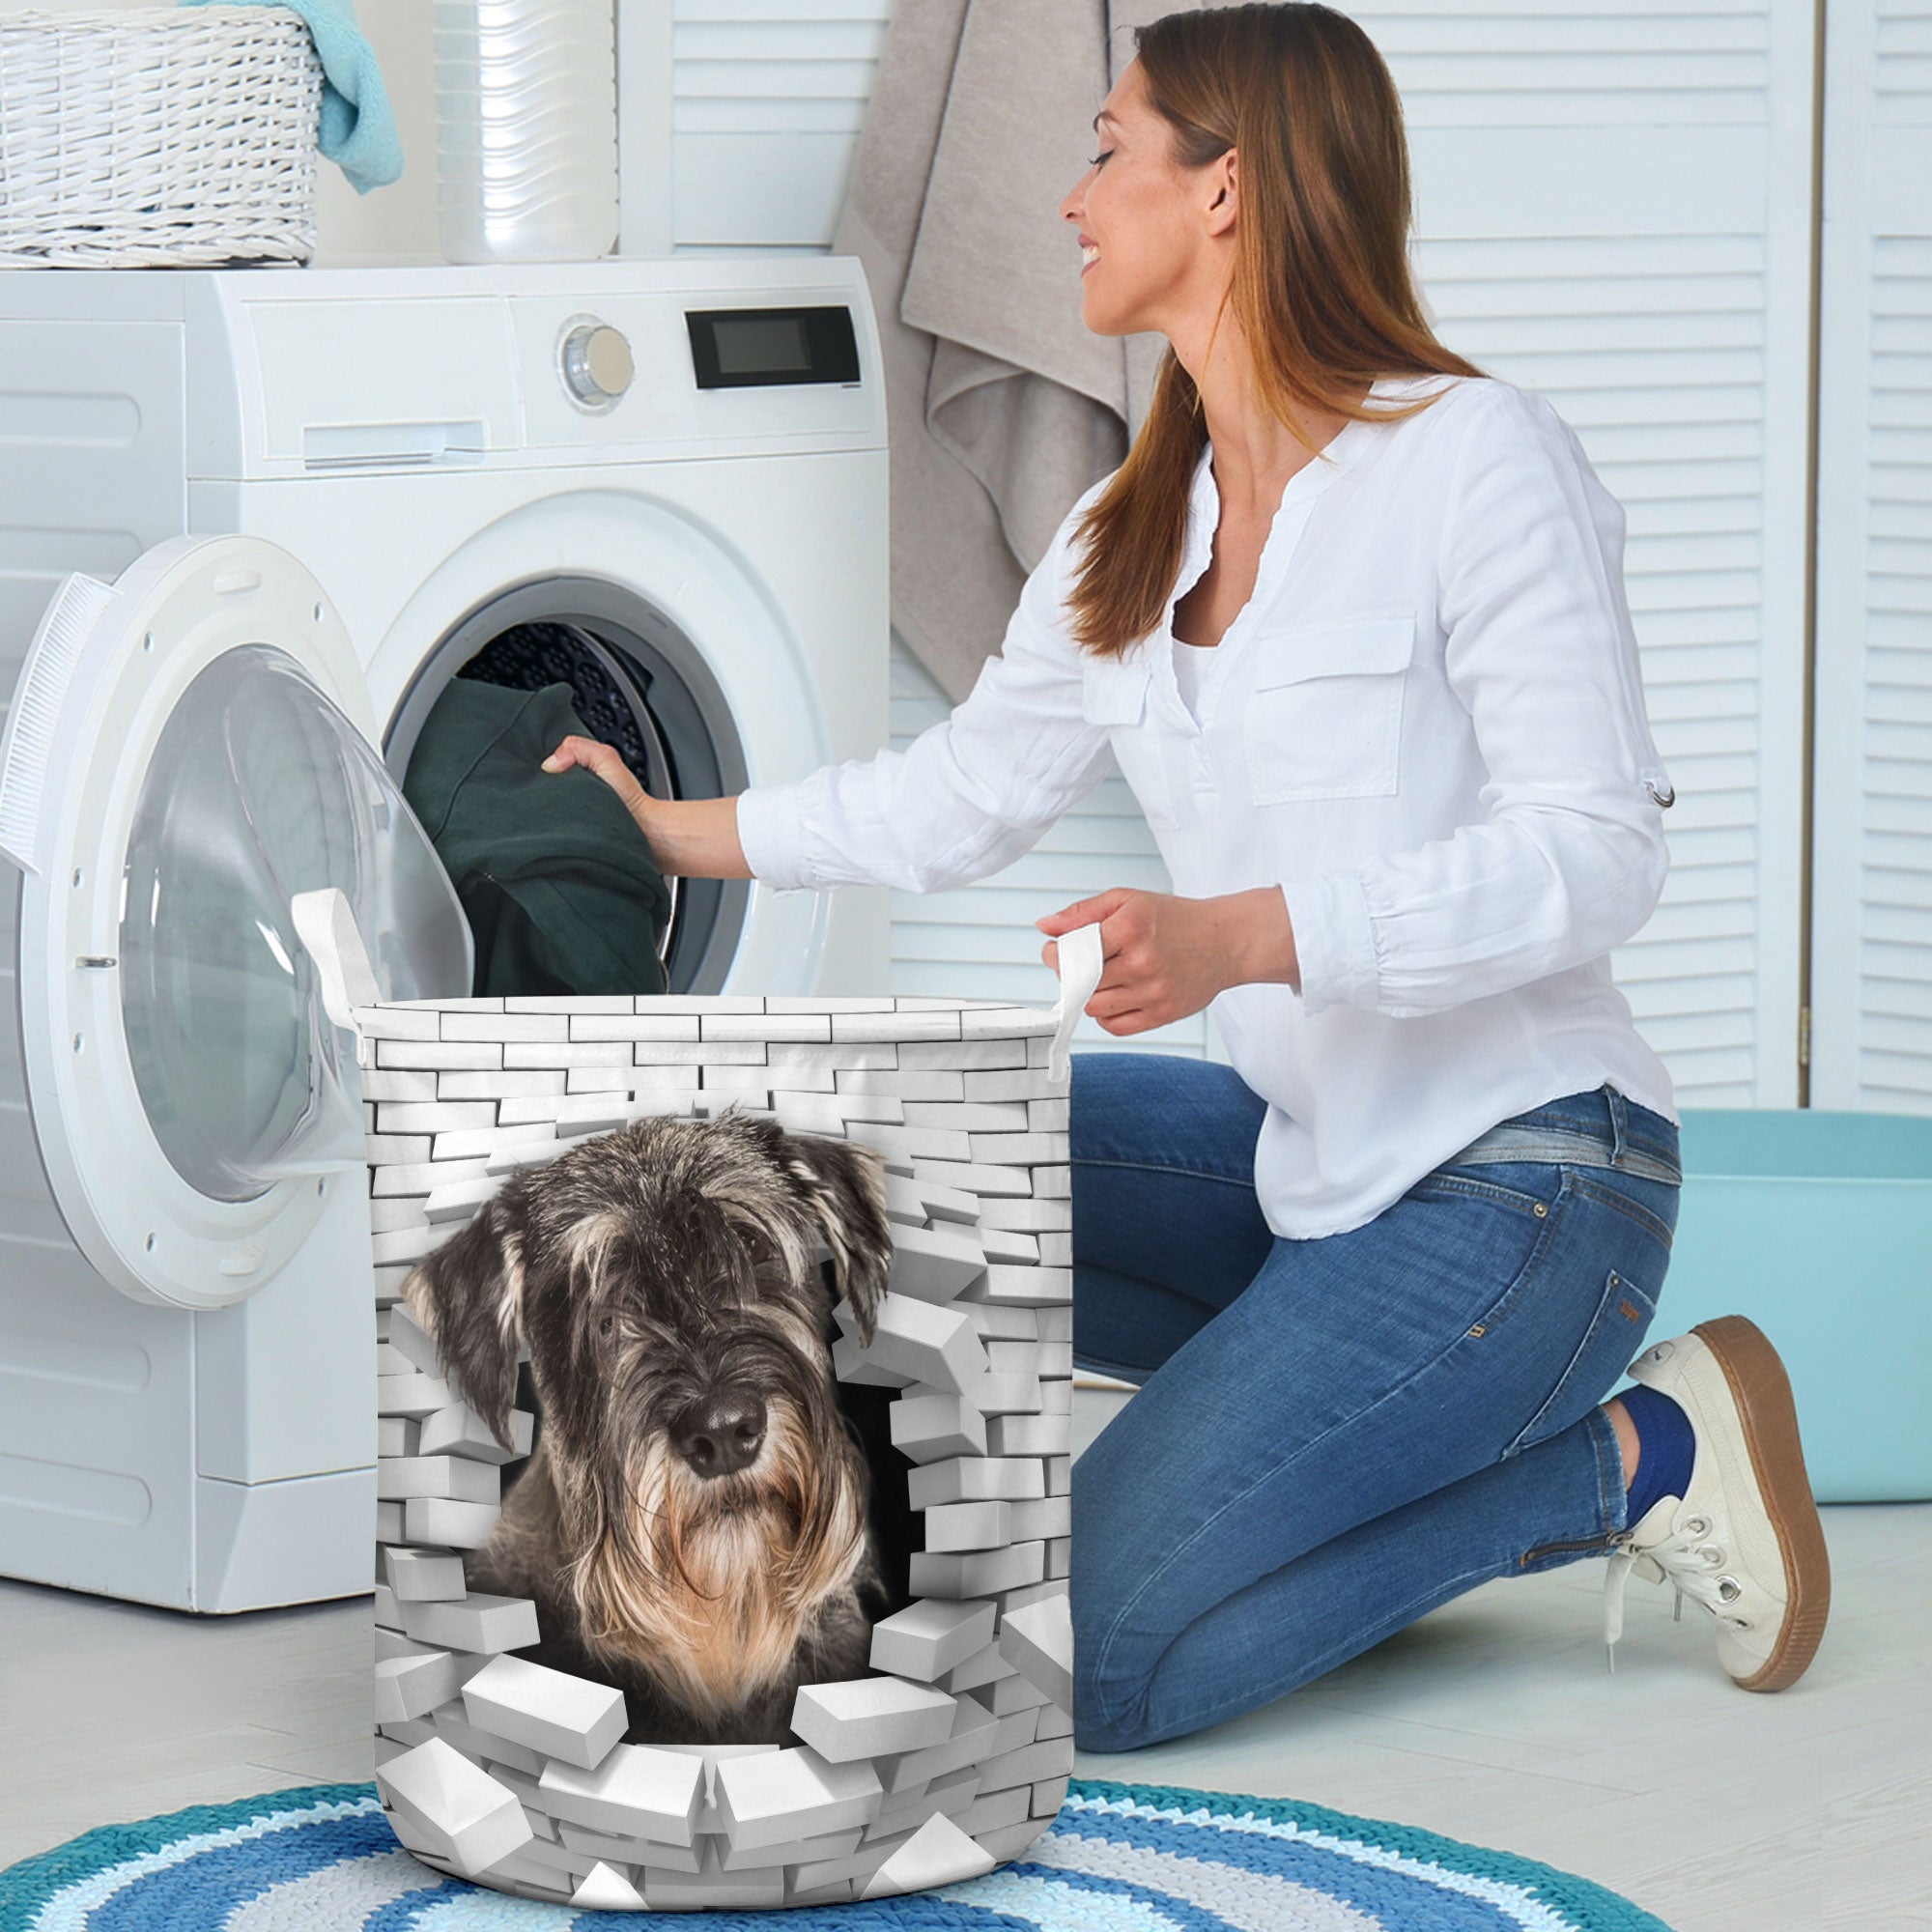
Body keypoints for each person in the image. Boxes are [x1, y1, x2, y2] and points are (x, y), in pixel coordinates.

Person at [542, 0, 1831, 1754]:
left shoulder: (1472, 459)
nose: (1069, 198)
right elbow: (961, 797)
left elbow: (1598, 856)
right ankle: (1211, 1459)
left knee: (1099, 1663)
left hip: (1530, 1186)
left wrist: (1250, 939)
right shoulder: (1129, 528)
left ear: (1226, 191)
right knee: (879, 1177)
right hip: (1314, 1174)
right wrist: (680, 825)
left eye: (1106, 150)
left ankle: (1635, 1461)